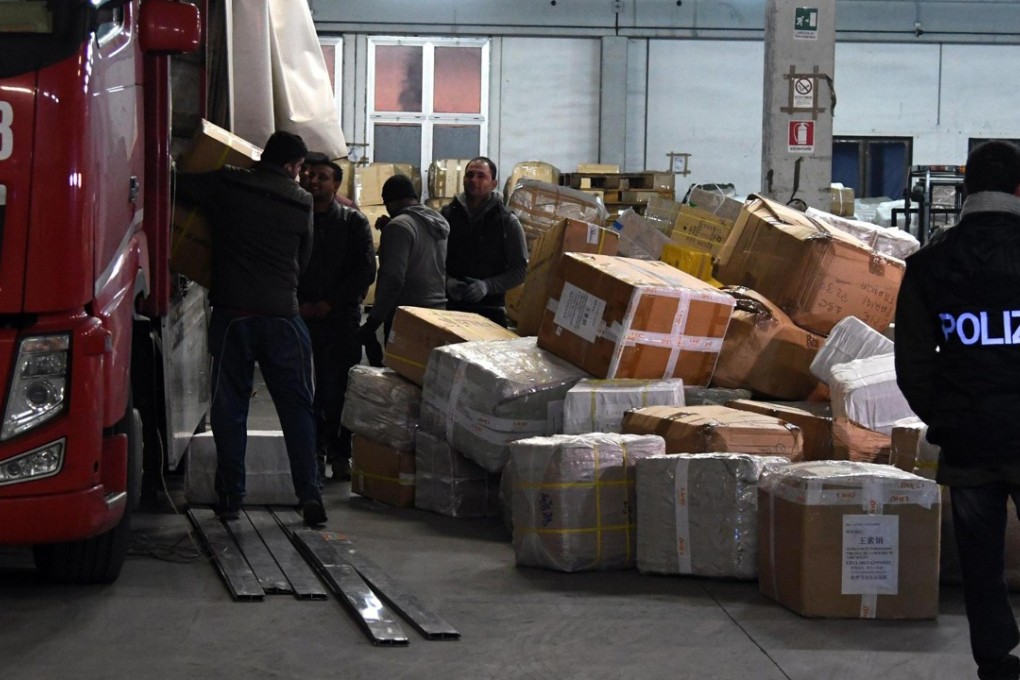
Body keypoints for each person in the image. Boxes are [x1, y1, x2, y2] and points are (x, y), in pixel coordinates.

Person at [895, 140, 1020, 680]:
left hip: (969, 440)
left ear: (966, 190)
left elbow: (914, 364)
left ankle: (994, 661)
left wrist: (944, 419)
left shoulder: (929, 265)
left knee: (981, 559)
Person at [175, 131, 327, 527]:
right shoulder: (302, 201)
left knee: (231, 407)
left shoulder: (228, 184)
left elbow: (180, 184)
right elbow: (304, 259)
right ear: (294, 167)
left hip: (233, 314)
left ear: (263, 156)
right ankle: (309, 494)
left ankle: (230, 498)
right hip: (282, 316)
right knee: (297, 408)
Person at [298, 157, 376, 483]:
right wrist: (299, 304)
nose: (314, 181)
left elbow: (365, 271)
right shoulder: (294, 218)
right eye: (310, 175)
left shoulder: (353, 223)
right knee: (305, 390)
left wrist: (329, 303)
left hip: (340, 318)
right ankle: (311, 454)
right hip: (301, 316)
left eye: (322, 177)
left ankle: (340, 453)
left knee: (340, 388)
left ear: (336, 185)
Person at [355, 174, 449, 346]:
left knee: (399, 371)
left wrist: (372, 323)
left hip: (408, 318)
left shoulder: (398, 227)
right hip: (437, 313)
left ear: (390, 202)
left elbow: (393, 280)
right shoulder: (437, 221)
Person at [441, 157, 528, 327]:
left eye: (481, 176)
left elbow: (521, 270)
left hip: (490, 313)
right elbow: (431, 259)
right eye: (470, 175)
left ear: (493, 183)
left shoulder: (507, 222)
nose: (474, 180)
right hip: (450, 311)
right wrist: (447, 281)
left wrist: (488, 286)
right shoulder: (446, 216)